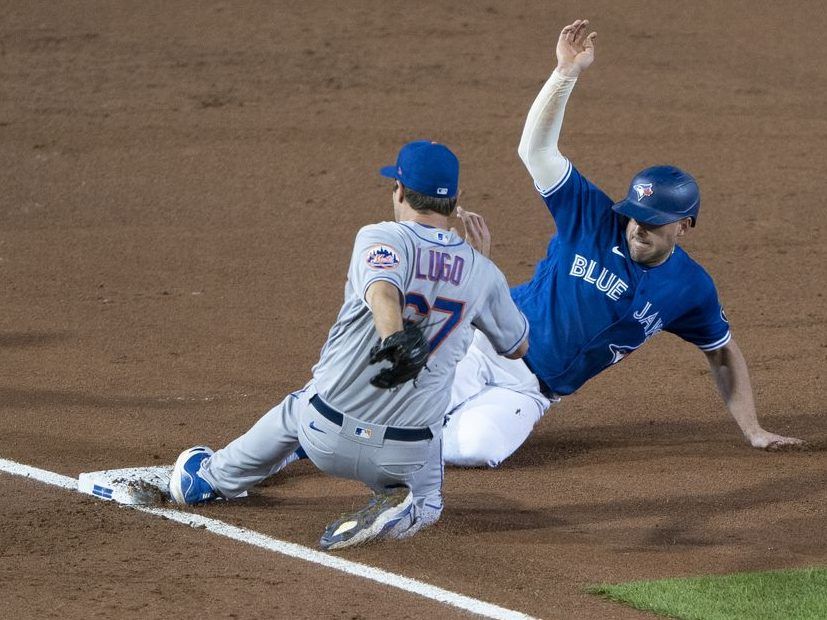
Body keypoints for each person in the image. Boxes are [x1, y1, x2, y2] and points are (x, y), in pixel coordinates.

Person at [441, 19, 803, 468]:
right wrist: (564, 75)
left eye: (651, 222)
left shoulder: (690, 288)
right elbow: (535, 151)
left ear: (684, 226)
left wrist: (754, 431)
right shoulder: (592, 216)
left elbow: (722, 352)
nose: (636, 227)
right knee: (394, 406)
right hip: (486, 344)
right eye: (633, 215)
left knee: (473, 449)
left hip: (531, 392)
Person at [168, 140, 529, 549]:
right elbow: (516, 346)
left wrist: (394, 336)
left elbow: (381, 287)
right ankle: (408, 507)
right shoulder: (483, 273)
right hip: (403, 457)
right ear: (457, 200)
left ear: (398, 189)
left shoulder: (380, 236)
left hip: (323, 434)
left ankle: (207, 480)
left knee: (298, 405)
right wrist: (479, 271)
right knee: (431, 502)